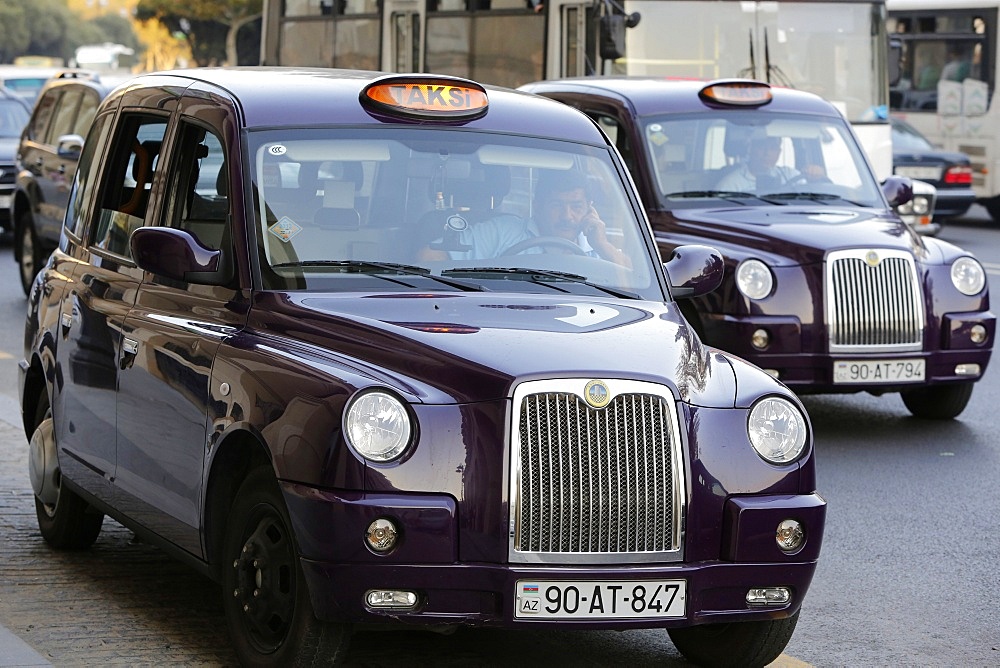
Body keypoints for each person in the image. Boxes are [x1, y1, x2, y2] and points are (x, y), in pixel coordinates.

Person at [419, 169, 630, 266]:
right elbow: (428, 257)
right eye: (556, 206)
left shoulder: (595, 243)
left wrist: (602, 245)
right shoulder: (503, 231)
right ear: (536, 206)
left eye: (576, 206)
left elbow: (635, 281)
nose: (567, 216)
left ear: (589, 209)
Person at [716, 134, 802, 191]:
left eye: (773, 148)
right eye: (761, 147)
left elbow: (808, 190)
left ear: (779, 152)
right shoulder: (731, 185)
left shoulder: (789, 175)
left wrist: (814, 178)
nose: (767, 153)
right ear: (751, 149)